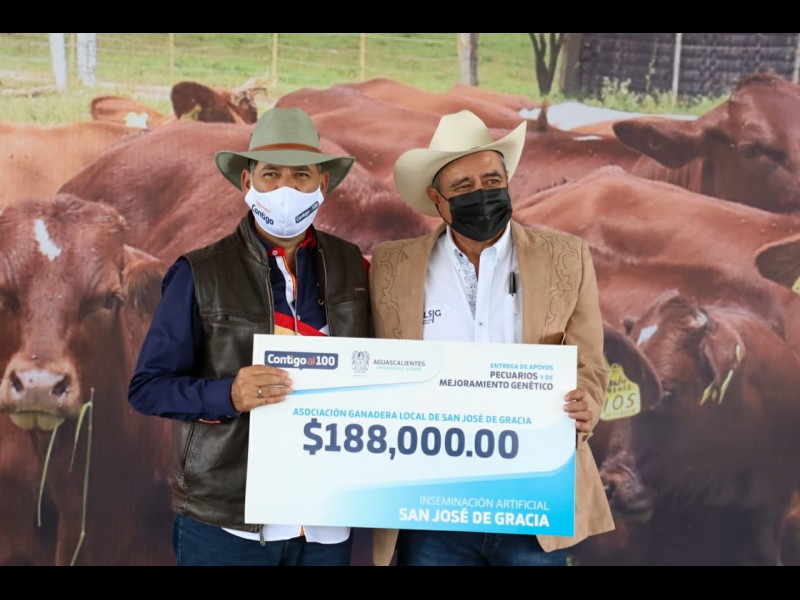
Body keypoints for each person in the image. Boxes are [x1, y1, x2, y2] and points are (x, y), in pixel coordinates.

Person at [368, 110, 614, 567]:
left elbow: (590, 364)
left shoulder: (566, 256)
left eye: (491, 180)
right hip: (430, 502)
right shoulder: (391, 265)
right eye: (462, 186)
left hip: (532, 499)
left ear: (507, 182)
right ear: (437, 200)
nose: (481, 194)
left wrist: (589, 402)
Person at [128, 106, 371, 566]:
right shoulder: (200, 272)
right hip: (228, 522)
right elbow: (148, 388)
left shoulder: (351, 265)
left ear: (323, 185)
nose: (285, 189)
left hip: (326, 522)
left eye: (301, 176)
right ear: (247, 183)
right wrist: (228, 395)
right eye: (271, 174)